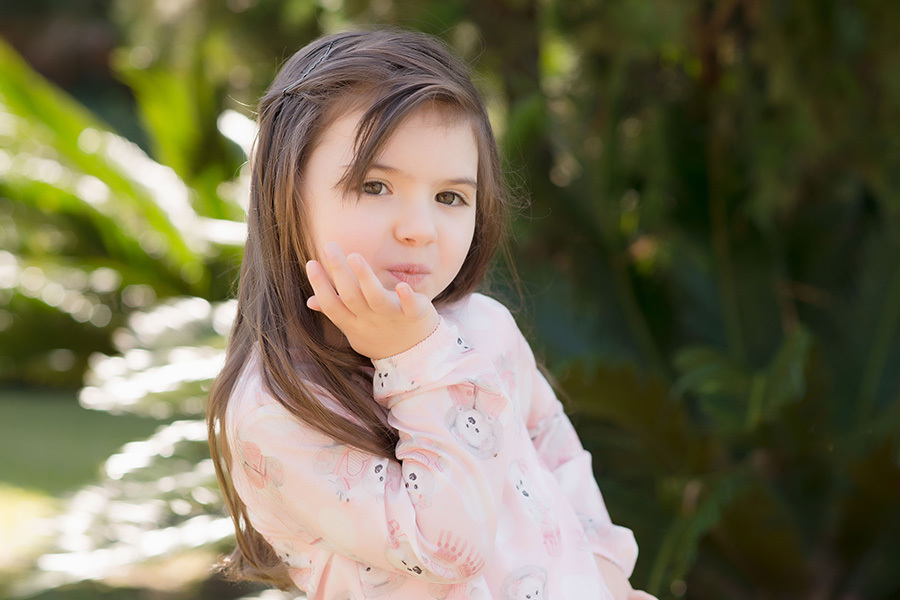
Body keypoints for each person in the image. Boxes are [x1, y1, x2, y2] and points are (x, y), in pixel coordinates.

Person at [207, 28, 656, 600]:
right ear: (283, 194)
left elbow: (556, 452)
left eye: (450, 197)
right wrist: (414, 356)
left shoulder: (485, 328)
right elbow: (448, 546)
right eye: (375, 185)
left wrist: (607, 575)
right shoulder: (281, 410)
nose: (418, 229)